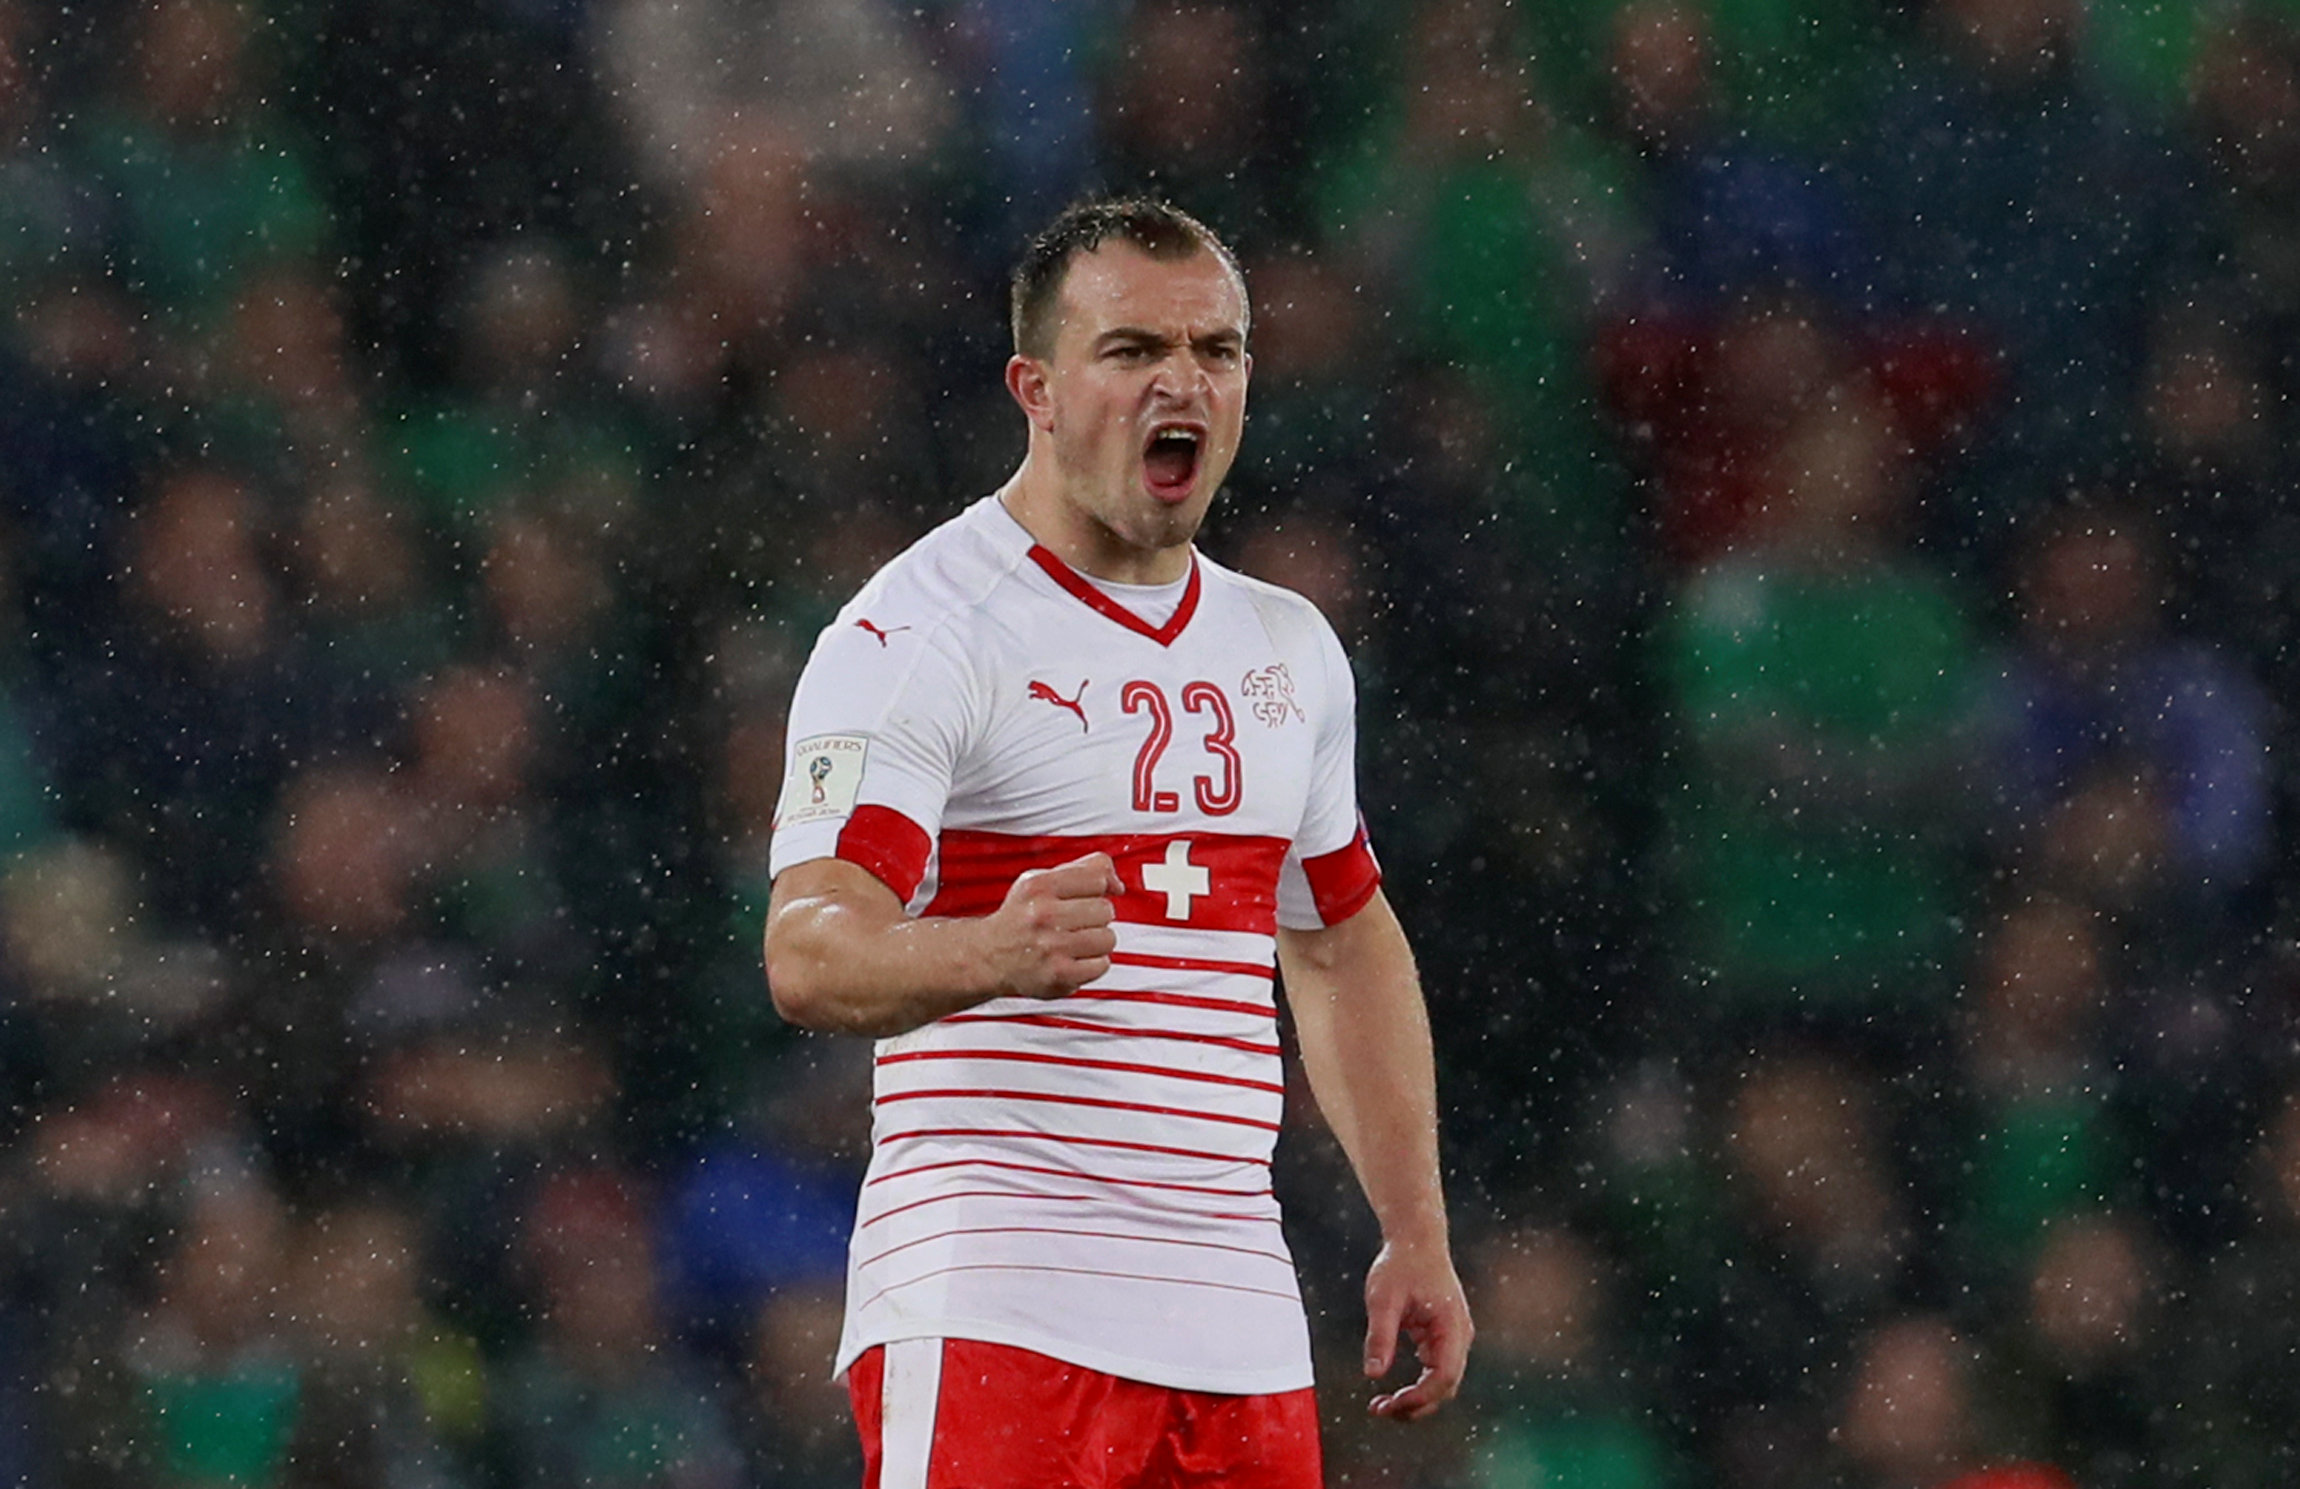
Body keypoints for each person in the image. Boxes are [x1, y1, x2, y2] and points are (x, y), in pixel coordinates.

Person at [762, 196, 1472, 1488]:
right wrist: (986, 951)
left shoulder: (1287, 648)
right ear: (1034, 388)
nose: (1181, 382)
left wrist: (1413, 1225)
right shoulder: (920, 631)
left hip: (1239, 1329)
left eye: (1216, 350)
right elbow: (808, 950)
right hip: (996, 1308)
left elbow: (1339, 937)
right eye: (1134, 350)